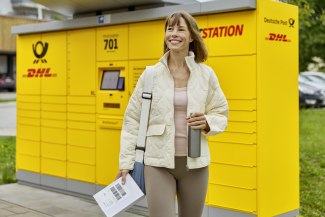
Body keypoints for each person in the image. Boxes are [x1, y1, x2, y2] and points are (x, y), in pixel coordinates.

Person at [117, 11, 228, 217]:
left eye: (180, 29)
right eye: (170, 29)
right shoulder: (151, 74)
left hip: (195, 163)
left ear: (192, 36)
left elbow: (221, 113)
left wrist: (207, 122)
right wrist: (126, 162)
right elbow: (132, 119)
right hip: (157, 164)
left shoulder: (206, 75)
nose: (173, 34)